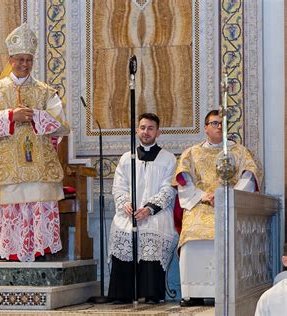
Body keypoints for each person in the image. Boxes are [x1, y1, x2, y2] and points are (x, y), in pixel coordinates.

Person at [0, 23, 70, 262]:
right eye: (20, 59)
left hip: (39, 166)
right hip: (8, 167)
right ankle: (9, 253)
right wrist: (10, 117)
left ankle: (40, 252)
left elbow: (62, 124)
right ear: (10, 59)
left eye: (28, 59)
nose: (24, 64)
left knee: (38, 207)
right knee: (10, 209)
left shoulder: (46, 92)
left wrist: (36, 116)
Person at [173, 110, 262, 307]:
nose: (219, 127)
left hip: (229, 205)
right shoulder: (191, 153)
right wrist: (204, 196)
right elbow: (184, 181)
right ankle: (192, 292)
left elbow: (249, 177)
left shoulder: (239, 151)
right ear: (205, 128)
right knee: (192, 230)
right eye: (214, 123)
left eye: (222, 123)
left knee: (228, 231)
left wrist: (227, 196)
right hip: (199, 205)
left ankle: (225, 290)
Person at [108, 113, 177, 304]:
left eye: (150, 128)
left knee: (151, 232)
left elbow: (168, 189)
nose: (146, 132)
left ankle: (151, 293)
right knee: (122, 231)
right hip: (129, 212)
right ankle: (122, 293)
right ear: (137, 130)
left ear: (158, 132)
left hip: (155, 213)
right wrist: (125, 204)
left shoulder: (168, 158)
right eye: (143, 127)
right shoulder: (126, 158)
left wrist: (149, 209)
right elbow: (119, 186)